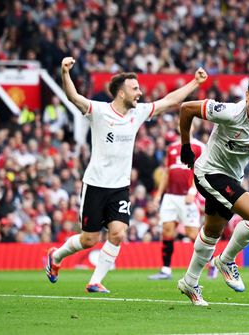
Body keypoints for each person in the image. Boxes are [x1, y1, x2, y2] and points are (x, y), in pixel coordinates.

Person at [45, 56, 208, 293]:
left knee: (118, 233)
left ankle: (95, 281)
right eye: (135, 89)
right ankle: (56, 256)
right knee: (89, 239)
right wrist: (65, 73)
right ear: (121, 93)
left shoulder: (138, 113)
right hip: (95, 184)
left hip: (120, 187)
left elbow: (169, 101)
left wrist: (194, 82)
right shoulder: (98, 111)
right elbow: (73, 97)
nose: (139, 93)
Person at [176, 72, 249, 306]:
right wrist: (186, 146)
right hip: (209, 172)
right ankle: (227, 259)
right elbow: (186, 108)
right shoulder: (229, 112)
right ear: (246, 95)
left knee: (212, 232)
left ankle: (189, 282)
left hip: (232, 177)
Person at [147, 134, 209, 280]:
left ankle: (213, 263)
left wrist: (193, 191)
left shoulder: (199, 146)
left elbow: (202, 169)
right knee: (167, 231)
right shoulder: (172, 148)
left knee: (192, 234)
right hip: (170, 196)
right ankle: (165, 270)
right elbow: (167, 173)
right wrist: (158, 195)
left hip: (186, 196)